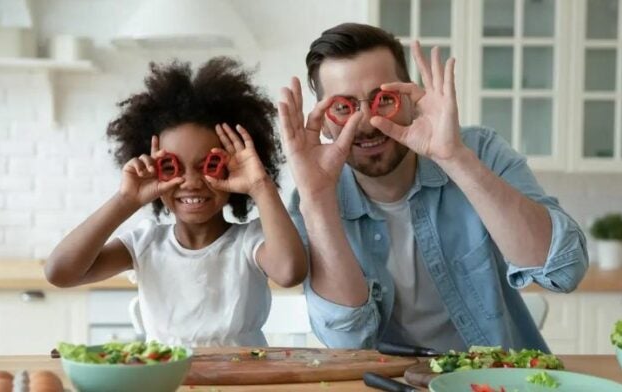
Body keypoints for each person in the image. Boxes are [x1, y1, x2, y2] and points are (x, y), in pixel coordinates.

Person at [277, 23, 588, 352]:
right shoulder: (315, 198)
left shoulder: (477, 152)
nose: (367, 122)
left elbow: (565, 270)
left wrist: (454, 158)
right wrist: (317, 197)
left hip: (497, 378)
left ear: (410, 99)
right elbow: (346, 339)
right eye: (343, 107)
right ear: (324, 120)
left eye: (384, 100)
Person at [45, 57, 307, 347]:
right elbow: (59, 272)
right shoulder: (146, 244)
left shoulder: (251, 241)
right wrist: (126, 200)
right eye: (172, 167)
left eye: (210, 164)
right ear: (154, 171)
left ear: (235, 168)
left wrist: (260, 185)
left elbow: (289, 272)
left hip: (243, 380)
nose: (192, 181)